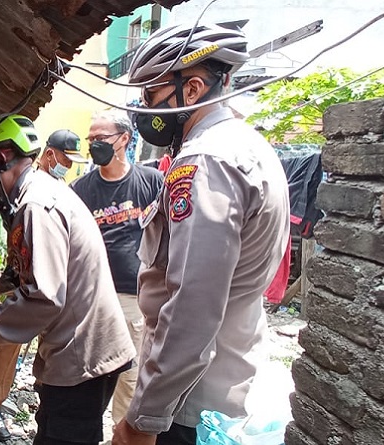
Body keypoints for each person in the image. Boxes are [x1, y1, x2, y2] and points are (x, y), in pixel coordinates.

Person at [112, 23, 290, 445]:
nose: (144, 109)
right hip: (218, 384)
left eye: (152, 96)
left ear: (191, 90)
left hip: (186, 407)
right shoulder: (249, 147)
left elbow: (192, 305)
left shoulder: (205, 163)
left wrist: (144, 420)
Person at [0, 114, 136, 445]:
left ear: (0, 159)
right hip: (80, 349)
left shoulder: (36, 205)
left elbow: (43, 299)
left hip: (83, 356)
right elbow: (24, 274)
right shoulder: (38, 193)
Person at [0, 128, 89, 441]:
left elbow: (49, 293)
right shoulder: (26, 192)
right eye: (66, 157)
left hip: (56, 294)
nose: (68, 164)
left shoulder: (45, 194)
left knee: (34, 337)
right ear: (50, 154)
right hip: (30, 277)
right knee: (9, 336)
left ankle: (38, 392)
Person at [70, 110, 163, 425]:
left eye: (101, 138)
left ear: (124, 139)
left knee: (130, 375)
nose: (94, 144)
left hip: (132, 299)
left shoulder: (151, 182)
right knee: (89, 371)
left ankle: (122, 432)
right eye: (91, 139)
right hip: (92, 297)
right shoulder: (80, 190)